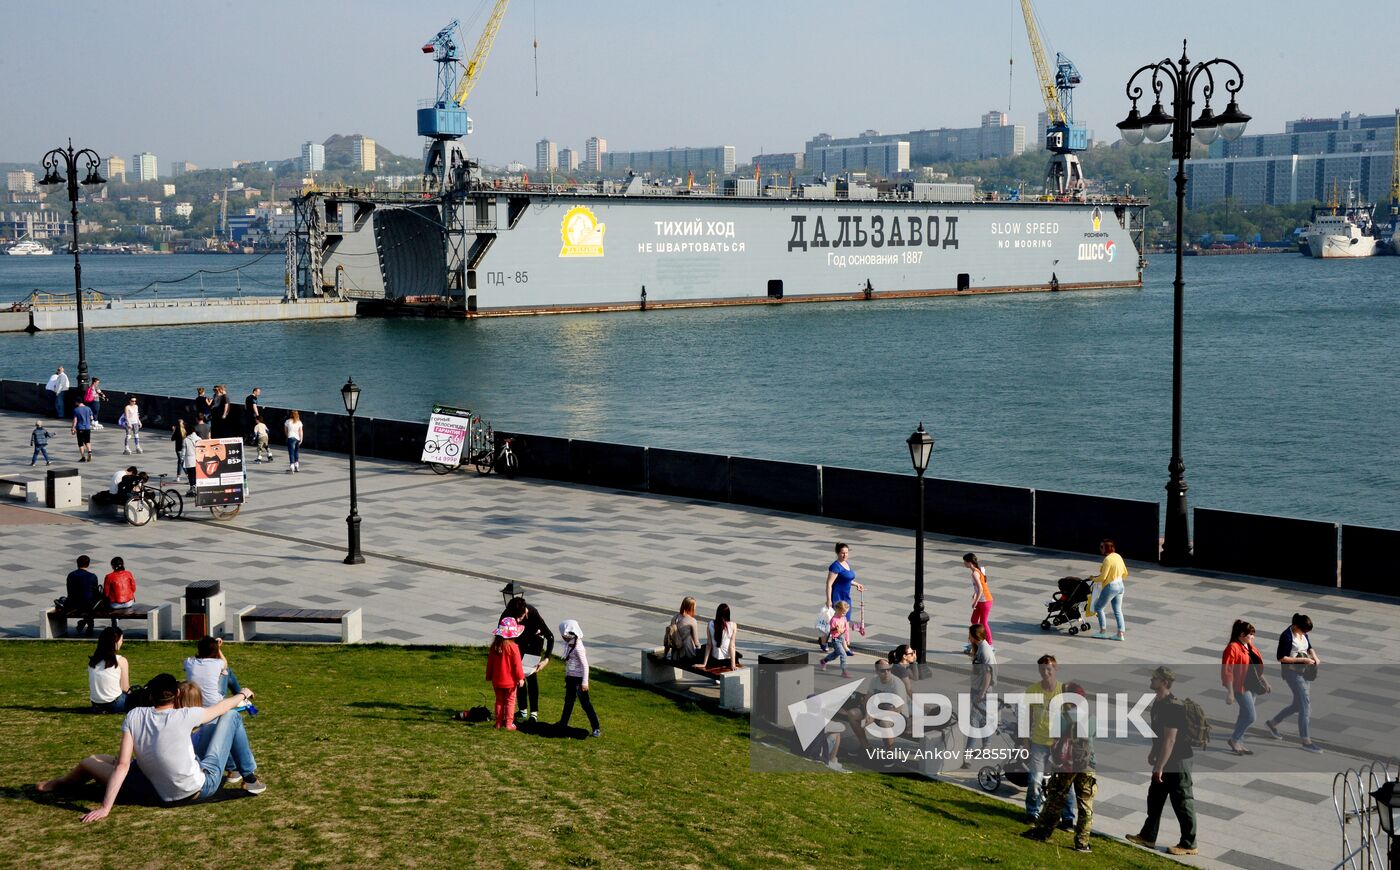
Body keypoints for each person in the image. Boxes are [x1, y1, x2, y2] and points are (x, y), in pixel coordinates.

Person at [35, 673, 265, 820]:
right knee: (231, 717)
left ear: (150, 696)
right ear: (176, 694)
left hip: (160, 790)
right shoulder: (185, 715)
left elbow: (123, 764)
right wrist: (243, 694)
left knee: (93, 760)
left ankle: (59, 784)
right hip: (199, 787)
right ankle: (249, 777)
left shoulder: (135, 715)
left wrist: (107, 807)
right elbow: (223, 707)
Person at [1126, 667, 1198, 856]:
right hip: (1165, 759)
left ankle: (1189, 844)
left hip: (1178, 760)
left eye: (1155, 678)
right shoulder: (1158, 702)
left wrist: (1159, 767)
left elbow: (1170, 739)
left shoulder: (1172, 706)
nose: (1151, 679)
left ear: (1164, 682)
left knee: (1182, 801)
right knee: (1155, 798)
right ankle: (1148, 836)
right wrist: (1153, 752)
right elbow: (1159, 735)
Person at [1022, 681, 1097, 853]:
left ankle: (1042, 832)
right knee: (1085, 804)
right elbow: (1093, 740)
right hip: (1087, 765)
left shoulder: (1062, 717)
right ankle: (1082, 842)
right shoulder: (1091, 718)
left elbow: (1055, 740)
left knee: (1055, 799)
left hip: (1067, 766)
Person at [1023, 654, 1076, 827]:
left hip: (1060, 746)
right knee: (1034, 780)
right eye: (1042, 669)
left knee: (1064, 783)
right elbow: (1027, 717)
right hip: (1039, 742)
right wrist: (1025, 740)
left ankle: (1068, 818)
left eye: (1049, 669)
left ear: (1055, 669)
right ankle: (1032, 813)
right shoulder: (1032, 690)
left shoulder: (1064, 691)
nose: (1045, 673)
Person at [1263, 613, 1322, 753]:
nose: (1305, 633)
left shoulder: (1302, 633)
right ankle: (1305, 741)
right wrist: (1303, 660)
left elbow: (1309, 647)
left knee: (1298, 705)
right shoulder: (1287, 636)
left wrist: (1315, 657)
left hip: (1305, 672)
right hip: (1292, 673)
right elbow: (1281, 658)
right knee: (1305, 706)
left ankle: (1272, 724)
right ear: (1295, 626)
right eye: (1304, 631)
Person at [499, 596, 554, 724]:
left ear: (525, 612)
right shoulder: (508, 613)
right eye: (515, 618)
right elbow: (500, 635)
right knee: (519, 677)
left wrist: (546, 659)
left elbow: (550, 636)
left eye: (520, 618)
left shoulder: (533, 613)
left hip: (534, 645)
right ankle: (523, 709)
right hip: (517, 645)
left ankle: (533, 713)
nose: (517, 621)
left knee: (530, 676)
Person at [1221, 619, 1267, 756]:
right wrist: (1230, 692)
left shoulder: (1249, 646)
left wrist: (1264, 680)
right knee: (1251, 716)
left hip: (1252, 685)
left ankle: (1239, 741)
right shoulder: (1232, 648)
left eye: (1253, 634)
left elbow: (1255, 666)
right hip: (1240, 687)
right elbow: (1227, 671)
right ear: (1241, 634)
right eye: (1250, 634)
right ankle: (1234, 740)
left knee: (1244, 715)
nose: (1253, 637)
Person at [556, 619, 601, 737]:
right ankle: (563, 723)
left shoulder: (578, 647)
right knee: (568, 702)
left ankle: (596, 727)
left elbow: (585, 665)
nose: (561, 636)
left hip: (579, 680)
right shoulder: (569, 643)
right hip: (571, 678)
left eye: (562, 634)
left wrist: (585, 682)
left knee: (585, 704)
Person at [486, 617, 527, 730]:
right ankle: (509, 723)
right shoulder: (513, 647)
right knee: (510, 701)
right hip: (510, 681)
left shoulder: (494, 647)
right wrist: (521, 678)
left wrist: (489, 675)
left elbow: (490, 663)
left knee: (499, 701)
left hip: (497, 680)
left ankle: (498, 723)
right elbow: (517, 665)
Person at [822, 542, 864, 651]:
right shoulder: (835, 566)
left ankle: (842, 643)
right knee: (834, 621)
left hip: (846, 596)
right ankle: (824, 641)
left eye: (846, 553)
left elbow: (846, 579)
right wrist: (829, 600)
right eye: (842, 553)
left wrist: (856, 584)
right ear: (837, 553)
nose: (844, 555)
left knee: (846, 620)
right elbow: (829, 584)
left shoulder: (846, 563)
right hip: (837, 597)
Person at [964, 624, 996, 761]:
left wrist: (981, 693)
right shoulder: (979, 648)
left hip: (982, 692)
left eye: (970, 634)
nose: (968, 636)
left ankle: (968, 752)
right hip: (978, 689)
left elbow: (988, 674)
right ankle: (986, 747)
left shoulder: (985, 651)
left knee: (974, 720)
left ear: (975, 635)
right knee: (983, 719)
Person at [183, 636, 242, 707]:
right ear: (215, 650)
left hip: (193, 702)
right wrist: (218, 648)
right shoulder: (218, 663)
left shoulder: (189, 662)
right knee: (227, 671)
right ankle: (240, 696)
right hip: (214, 703)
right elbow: (225, 665)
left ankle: (240, 696)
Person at [1089, 538, 1128, 641]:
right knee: (1118, 610)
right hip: (1120, 585)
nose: (1100, 548)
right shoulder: (1118, 556)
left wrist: (1093, 578)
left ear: (1106, 548)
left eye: (1102, 547)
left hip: (1111, 586)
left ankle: (1102, 631)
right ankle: (1120, 634)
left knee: (1099, 607)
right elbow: (1125, 572)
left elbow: (1103, 578)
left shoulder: (1107, 559)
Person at [88, 627, 133, 713]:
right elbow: (125, 688)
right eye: (121, 640)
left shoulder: (93, 661)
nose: (122, 642)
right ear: (115, 642)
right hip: (114, 703)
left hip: (96, 704)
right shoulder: (121, 660)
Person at [66, 555, 103, 636]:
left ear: (77, 564)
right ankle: (88, 625)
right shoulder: (92, 576)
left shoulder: (70, 575)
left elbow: (69, 591)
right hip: (88, 605)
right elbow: (95, 593)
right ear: (88, 564)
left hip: (73, 604)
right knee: (94, 603)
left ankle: (85, 622)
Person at [965, 552, 994, 646]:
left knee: (983, 623)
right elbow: (980, 586)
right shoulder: (978, 570)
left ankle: (989, 643)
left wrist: (975, 602)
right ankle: (977, 639)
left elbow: (981, 588)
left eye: (965, 562)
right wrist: (974, 593)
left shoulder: (975, 573)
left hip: (986, 600)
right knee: (974, 620)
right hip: (981, 600)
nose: (964, 564)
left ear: (970, 562)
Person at [701, 603, 741, 669]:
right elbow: (732, 646)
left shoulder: (710, 624)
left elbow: (709, 644)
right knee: (738, 654)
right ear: (728, 614)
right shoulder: (733, 625)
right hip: (726, 661)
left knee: (703, 647)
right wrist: (733, 665)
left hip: (714, 660)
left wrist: (704, 664)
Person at [666, 596, 703, 665]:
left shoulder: (675, 617)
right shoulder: (692, 621)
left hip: (675, 655)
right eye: (695, 605)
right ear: (691, 607)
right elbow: (696, 642)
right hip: (687, 655)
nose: (695, 607)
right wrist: (701, 649)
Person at [819, 600, 852, 676]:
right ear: (837, 610)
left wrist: (847, 639)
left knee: (835, 654)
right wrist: (836, 629)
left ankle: (824, 661)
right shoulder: (834, 620)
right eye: (843, 612)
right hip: (836, 640)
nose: (845, 614)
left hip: (842, 638)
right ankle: (844, 671)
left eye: (846, 612)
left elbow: (846, 629)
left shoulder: (844, 618)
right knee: (843, 655)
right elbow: (831, 630)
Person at [102, 557, 136, 624]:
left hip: (115, 604)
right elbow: (134, 589)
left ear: (112, 566)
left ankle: (115, 623)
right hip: (129, 602)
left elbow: (106, 593)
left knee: (105, 603)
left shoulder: (109, 576)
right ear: (123, 564)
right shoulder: (128, 573)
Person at [181, 427, 200, 495]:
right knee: (196, 474)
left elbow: (183, 451)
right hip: (198, 459)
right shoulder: (199, 439)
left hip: (189, 460)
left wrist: (182, 459)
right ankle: (196, 488)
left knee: (190, 474)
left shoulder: (186, 440)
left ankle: (192, 488)